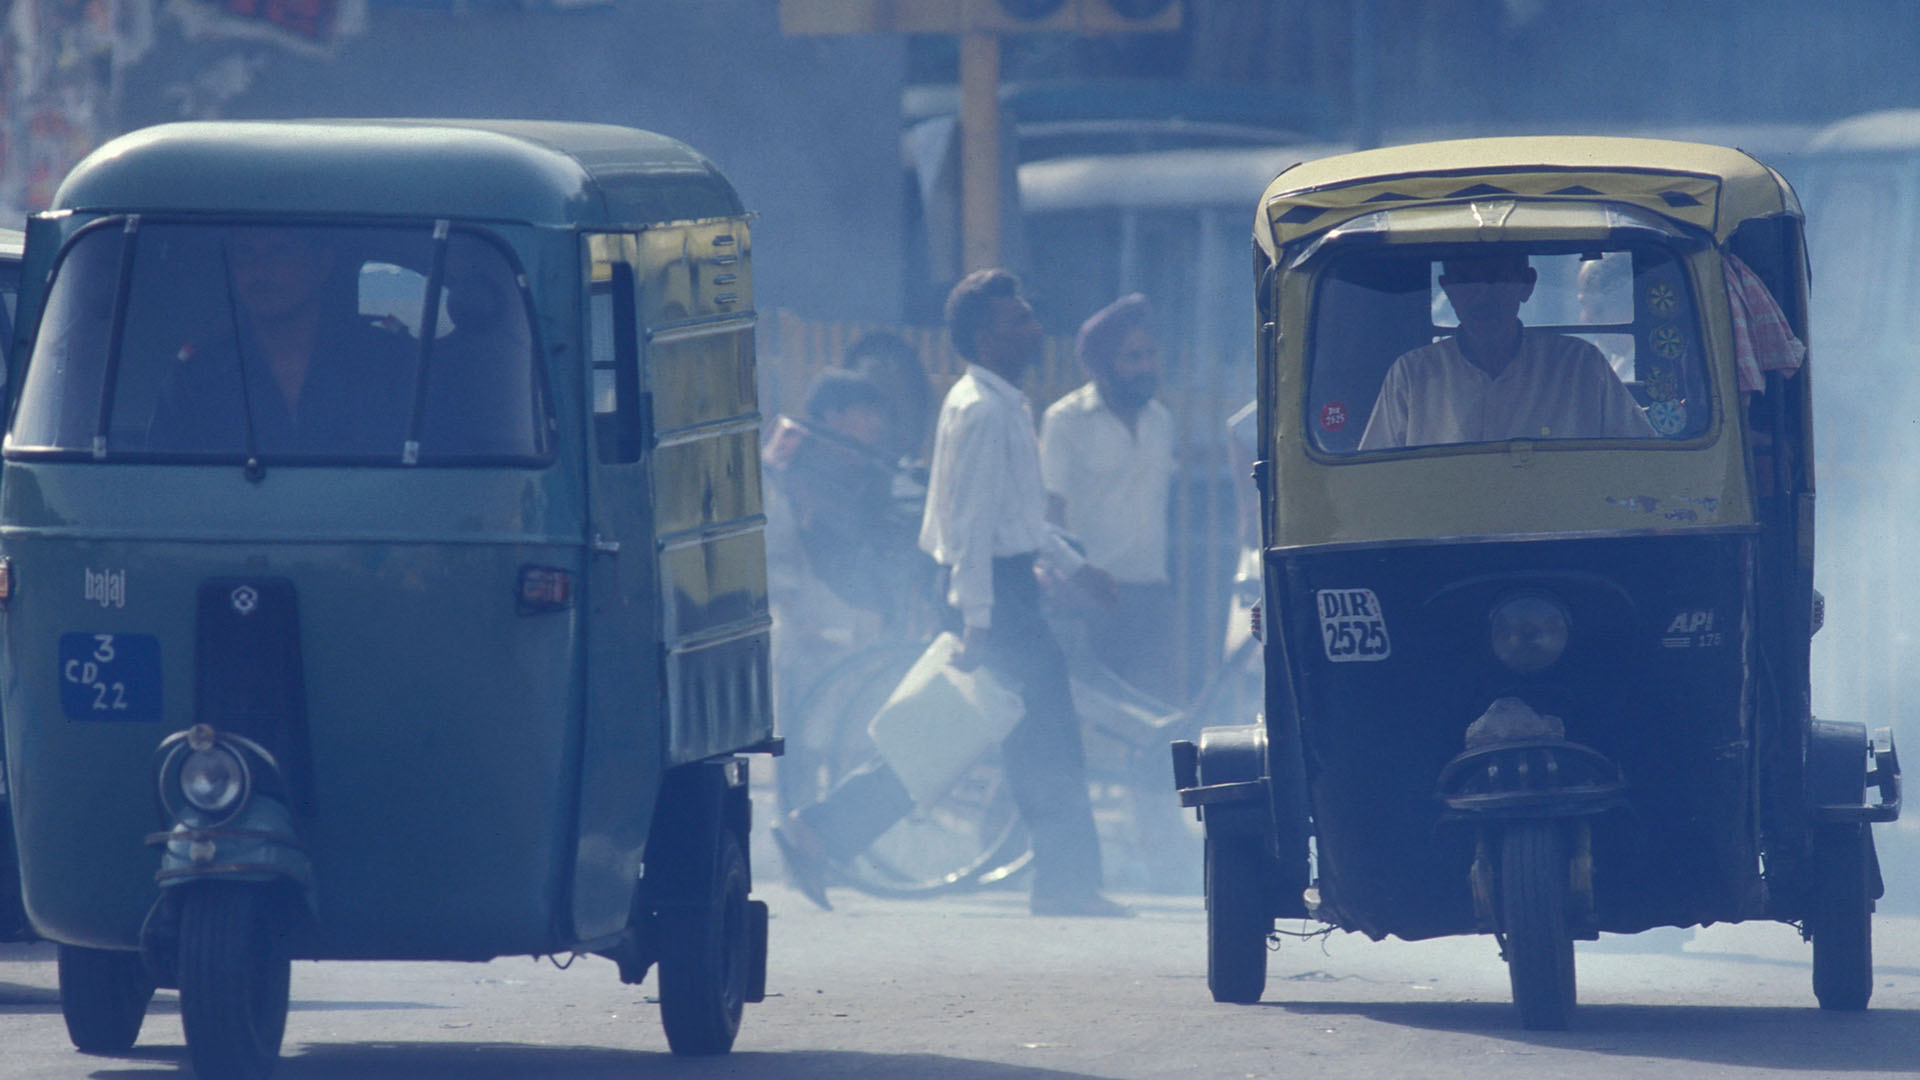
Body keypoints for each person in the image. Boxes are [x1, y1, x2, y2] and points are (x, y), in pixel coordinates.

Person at [774, 268, 1129, 918]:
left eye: (1029, 314)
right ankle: (1064, 882)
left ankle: (821, 830)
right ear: (987, 338)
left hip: (1003, 585)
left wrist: (1075, 568)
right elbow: (967, 526)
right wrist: (977, 622)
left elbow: (1016, 515)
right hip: (992, 592)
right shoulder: (979, 410)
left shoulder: (1003, 405)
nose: (1033, 327)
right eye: (1018, 320)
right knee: (1031, 735)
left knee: (965, 736)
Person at [149, 226, 413, 454]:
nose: (260, 269)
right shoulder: (198, 374)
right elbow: (162, 484)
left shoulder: (387, 362)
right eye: (245, 253)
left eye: (281, 251)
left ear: (322, 264)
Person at [1358, 253, 1655, 450]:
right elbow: (1373, 477)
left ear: (1526, 285)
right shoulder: (1412, 375)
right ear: (1448, 289)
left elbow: (1642, 458)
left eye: (1495, 279)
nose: (1482, 296)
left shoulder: (1580, 366)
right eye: (1466, 281)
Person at [1038, 293, 1178, 703]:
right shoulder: (1065, 421)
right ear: (1102, 366)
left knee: (1156, 713)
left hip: (1151, 593)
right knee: (1096, 710)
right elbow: (1052, 513)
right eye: (1131, 357)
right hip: (1093, 597)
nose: (1145, 367)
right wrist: (1066, 582)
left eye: (1149, 355)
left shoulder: (1162, 421)